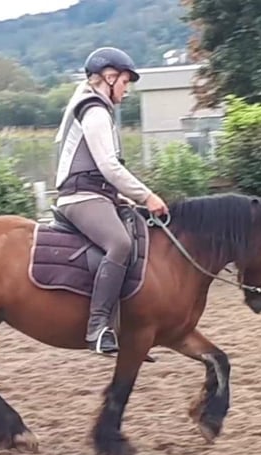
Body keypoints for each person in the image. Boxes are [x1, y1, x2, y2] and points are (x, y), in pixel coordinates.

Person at [54, 46, 169, 356]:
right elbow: (108, 166)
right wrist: (147, 195)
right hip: (81, 197)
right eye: (125, 82)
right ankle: (98, 326)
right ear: (109, 77)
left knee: (139, 231)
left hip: (98, 194)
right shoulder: (94, 110)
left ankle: (130, 326)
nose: (127, 90)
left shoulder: (100, 109)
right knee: (120, 243)